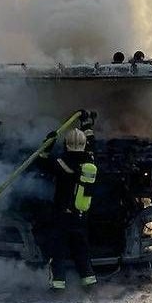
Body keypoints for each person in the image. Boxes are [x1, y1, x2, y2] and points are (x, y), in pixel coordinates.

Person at [38, 120, 98, 291]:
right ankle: (89, 285)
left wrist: (48, 145)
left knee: (58, 251)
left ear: (66, 144)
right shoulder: (90, 162)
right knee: (81, 251)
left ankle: (58, 286)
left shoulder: (61, 163)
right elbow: (92, 145)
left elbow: (41, 163)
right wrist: (87, 126)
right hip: (81, 216)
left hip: (62, 215)